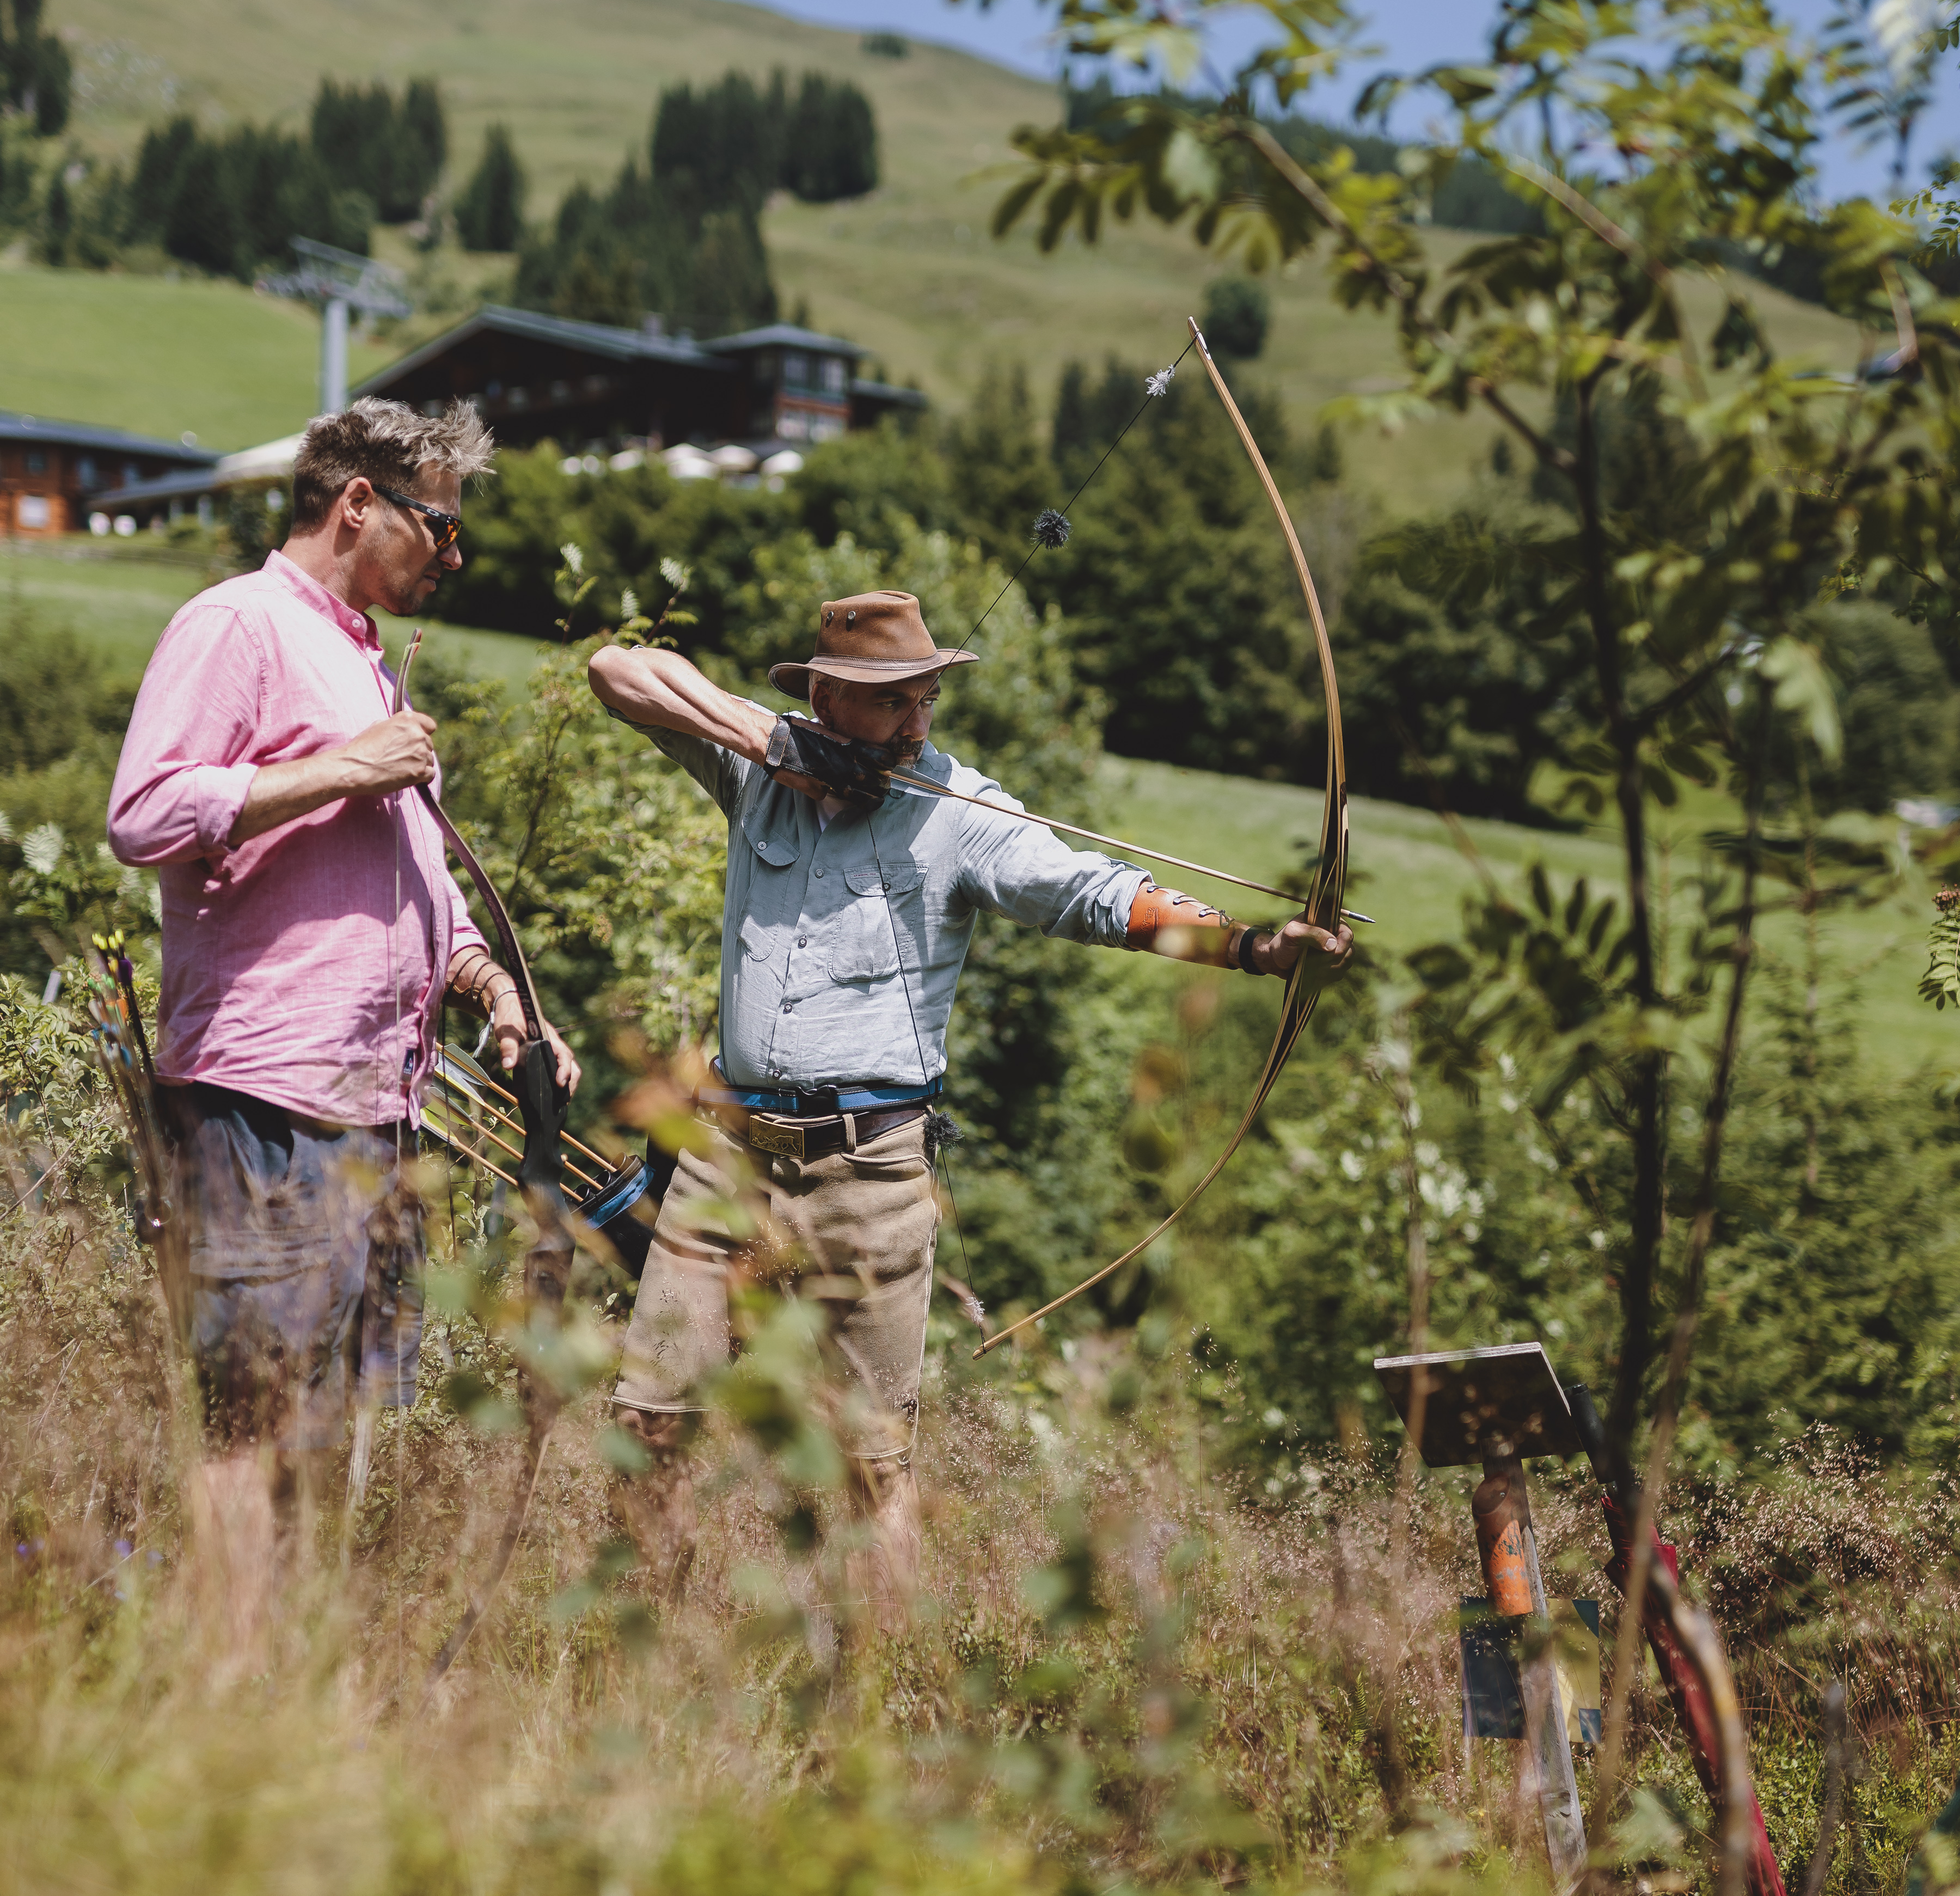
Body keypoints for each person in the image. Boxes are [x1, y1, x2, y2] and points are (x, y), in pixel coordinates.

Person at [586, 588, 1351, 1616]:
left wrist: (1249, 947)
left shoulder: (958, 810)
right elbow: (618, 672)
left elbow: (1091, 891)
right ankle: (632, 1652)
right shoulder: (758, 771)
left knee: (870, 1466)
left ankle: (889, 1703)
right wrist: (773, 743)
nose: (915, 724)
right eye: (891, 702)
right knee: (651, 1416)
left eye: (925, 701)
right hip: (725, 1157)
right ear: (823, 695)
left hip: (869, 1169)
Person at [107, 397, 580, 1648]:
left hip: (378, 1116)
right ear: (357, 504)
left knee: (340, 1426)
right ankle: (229, 1695)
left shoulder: (362, 658)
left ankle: (298, 1694)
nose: (456, 553)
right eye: (442, 524)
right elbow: (143, 813)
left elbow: (412, 882)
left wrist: (491, 988)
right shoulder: (238, 624)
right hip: (266, 1094)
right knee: (248, 1421)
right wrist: (342, 771)